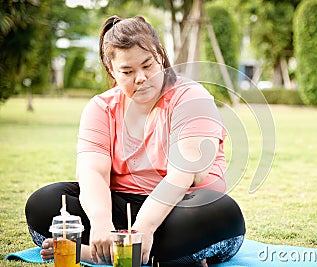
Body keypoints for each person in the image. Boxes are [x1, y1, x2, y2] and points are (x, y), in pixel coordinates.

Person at [25, 15, 245, 266]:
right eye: (127, 71)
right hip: (122, 207)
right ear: (111, 70)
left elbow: (182, 175)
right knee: (44, 202)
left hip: (182, 207)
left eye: (147, 65)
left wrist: (143, 228)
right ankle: (158, 256)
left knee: (221, 213)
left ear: (160, 55)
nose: (141, 78)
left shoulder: (191, 98)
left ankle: (93, 254)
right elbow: (93, 172)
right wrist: (101, 224)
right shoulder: (101, 107)